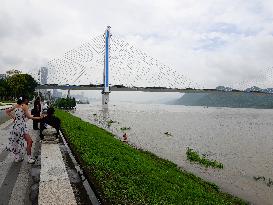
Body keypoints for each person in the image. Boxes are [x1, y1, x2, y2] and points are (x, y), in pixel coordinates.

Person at [6, 95, 44, 163]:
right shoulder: (25, 106)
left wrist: (14, 118)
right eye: (27, 99)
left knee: (16, 142)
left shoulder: (16, 105)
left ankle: (17, 158)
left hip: (15, 127)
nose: (28, 100)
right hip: (22, 127)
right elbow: (29, 117)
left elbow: (7, 111)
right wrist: (39, 118)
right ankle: (29, 159)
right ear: (25, 100)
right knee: (29, 141)